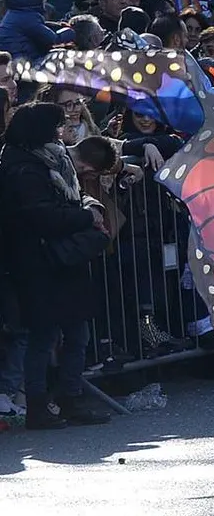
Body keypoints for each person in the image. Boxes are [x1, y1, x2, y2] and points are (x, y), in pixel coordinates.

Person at [0, 101, 113, 429]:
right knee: (44, 335)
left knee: (75, 333)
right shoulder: (22, 167)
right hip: (40, 261)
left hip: (58, 260)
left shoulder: (52, 156)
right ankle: (40, 405)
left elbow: (72, 195)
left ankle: (69, 397)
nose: (60, 131)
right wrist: (85, 217)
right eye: (55, 125)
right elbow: (43, 216)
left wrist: (88, 206)